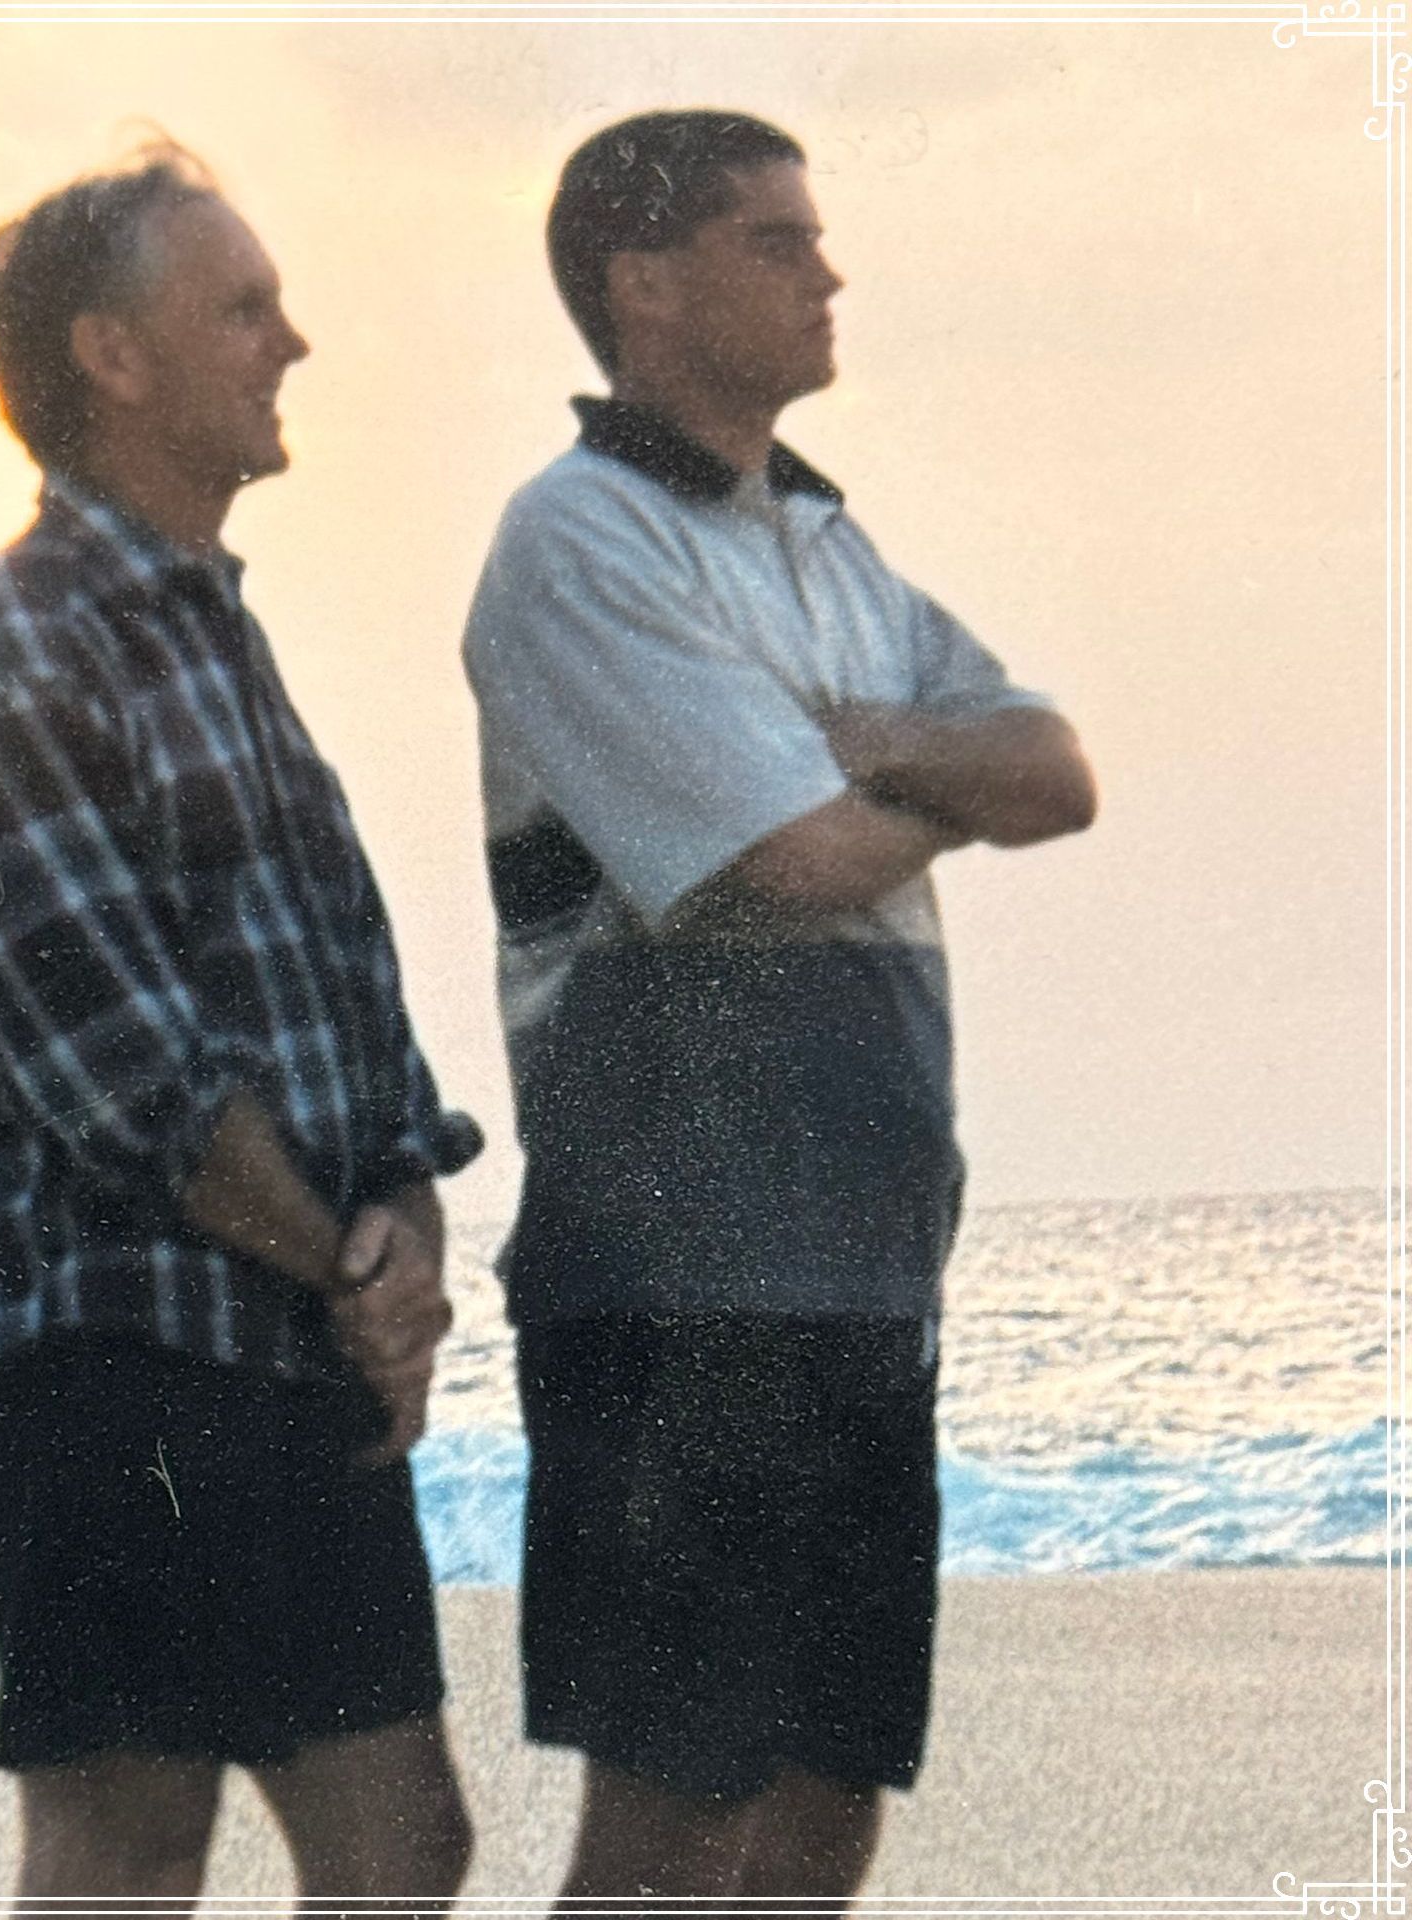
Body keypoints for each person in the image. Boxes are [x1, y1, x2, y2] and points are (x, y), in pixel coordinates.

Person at [461, 109, 1097, 1906]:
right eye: (776, 242)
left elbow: (1056, 770)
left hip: (861, 1263)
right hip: (678, 1275)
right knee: (670, 1819)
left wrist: (872, 741)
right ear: (641, 286)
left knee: (827, 1792)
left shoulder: (826, 543)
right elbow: (797, 864)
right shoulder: (581, 544)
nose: (828, 274)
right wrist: (892, 790)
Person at [0, 145, 481, 1911]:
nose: (294, 340)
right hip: (104, 1348)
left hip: (274, 1333)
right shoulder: (18, 647)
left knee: (396, 1842)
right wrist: (358, 1273)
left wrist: (403, 1243)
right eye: (243, 307)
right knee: (136, 1842)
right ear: (111, 357)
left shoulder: (212, 642)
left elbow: (364, 1033)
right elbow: (126, 1078)